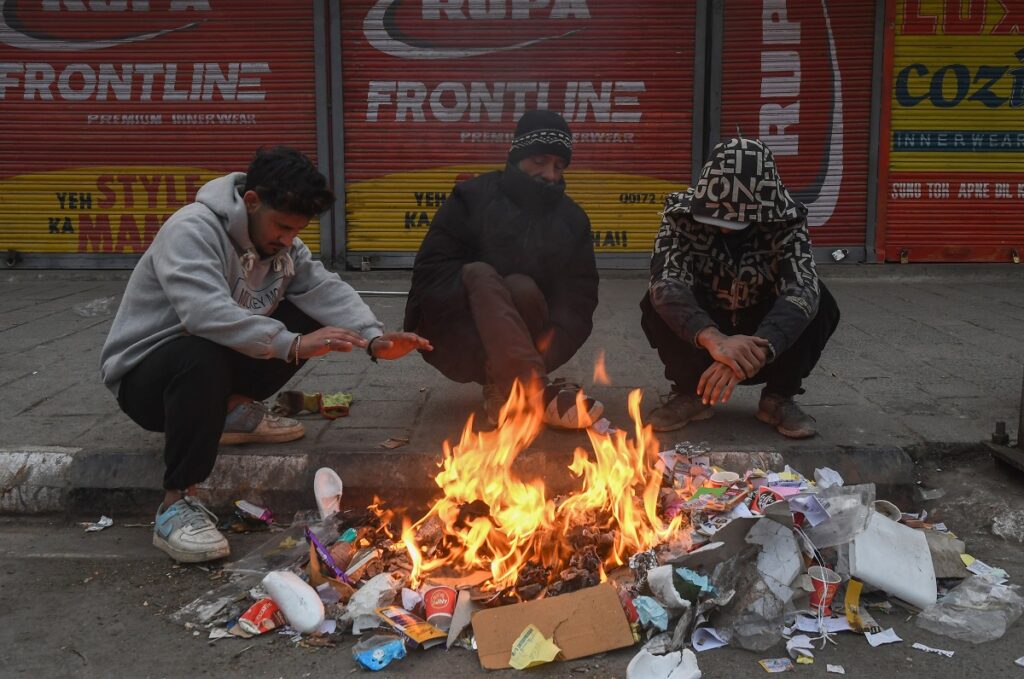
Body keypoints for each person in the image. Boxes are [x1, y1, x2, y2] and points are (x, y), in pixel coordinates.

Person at [100, 146, 431, 563]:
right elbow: (204, 314)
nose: (288, 240)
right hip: (150, 382)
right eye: (282, 227)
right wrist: (291, 344)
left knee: (312, 317)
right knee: (203, 352)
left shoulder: (283, 248)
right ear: (251, 202)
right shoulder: (191, 229)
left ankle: (231, 411)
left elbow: (323, 289)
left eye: (297, 231)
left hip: (213, 369)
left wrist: (372, 340)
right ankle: (175, 504)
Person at [404, 109, 601, 429]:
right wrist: (486, 292)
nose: (550, 174)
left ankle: (509, 384)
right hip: (460, 326)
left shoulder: (572, 220)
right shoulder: (471, 198)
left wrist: (541, 354)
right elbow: (430, 271)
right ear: (517, 156)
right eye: (540, 161)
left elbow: (578, 300)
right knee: (480, 274)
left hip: (535, 335)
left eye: (558, 166)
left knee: (521, 287)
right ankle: (534, 389)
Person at [640, 137, 840, 438]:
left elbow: (802, 287)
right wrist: (715, 340)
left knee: (819, 301)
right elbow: (667, 281)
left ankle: (778, 397)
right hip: (706, 332)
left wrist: (758, 347)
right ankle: (690, 394)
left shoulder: (786, 220)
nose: (722, 227)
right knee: (657, 301)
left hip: (763, 333)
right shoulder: (680, 217)